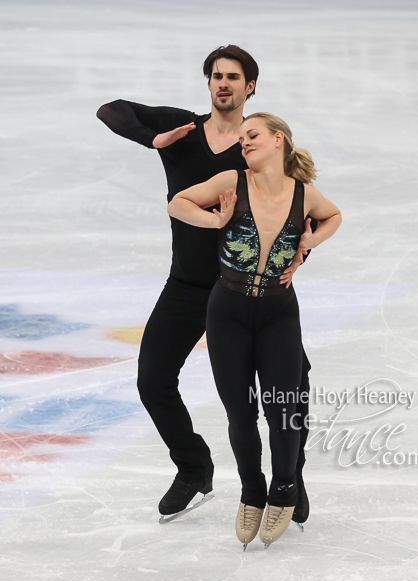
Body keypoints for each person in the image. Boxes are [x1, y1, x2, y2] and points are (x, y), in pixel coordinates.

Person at [96, 46, 314, 522]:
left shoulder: (258, 143)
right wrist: (151, 138)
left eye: (233, 77)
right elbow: (111, 110)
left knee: (291, 389)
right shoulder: (182, 130)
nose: (223, 83)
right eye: (216, 75)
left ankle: (290, 478)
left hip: (247, 291)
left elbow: (297, 207)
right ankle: (194, 468)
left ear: (249, 86)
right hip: (189, 284)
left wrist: (302, 252)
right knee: (153, 380)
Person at [168, 112, 341, 547]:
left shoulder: (305, 194)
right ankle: (252, 491)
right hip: (227, 311)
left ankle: (285, 488)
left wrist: (311, 242)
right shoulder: (232, 180)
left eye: (252, 135)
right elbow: (178, 203)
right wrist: (215, 222)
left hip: (279, 313)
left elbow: (334, 215)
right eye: (241, 137)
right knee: (240, 414)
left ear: (278, 139)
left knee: (282, 408)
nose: (243, 141)